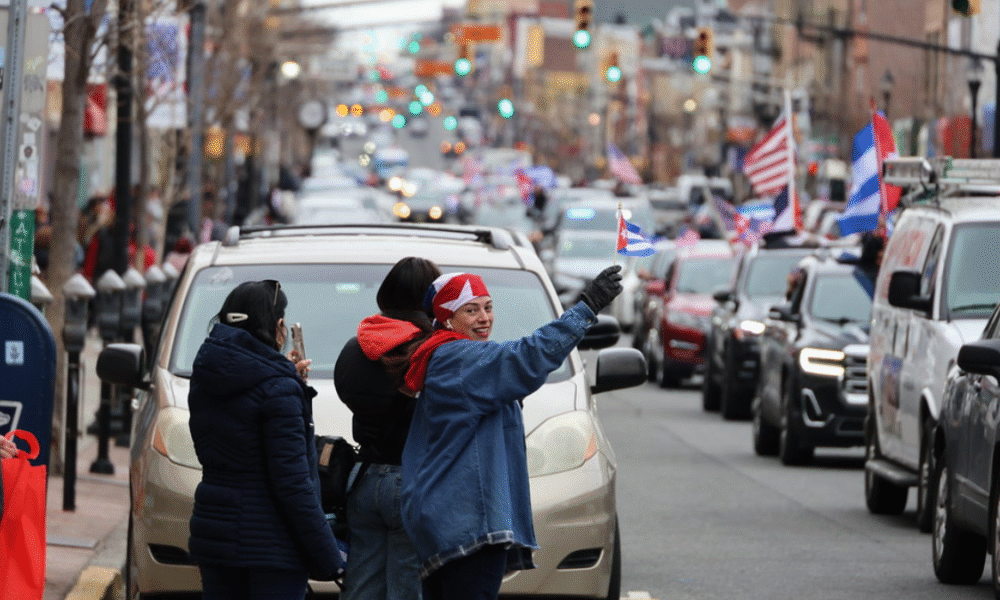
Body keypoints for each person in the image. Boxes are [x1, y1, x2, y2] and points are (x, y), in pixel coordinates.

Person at [400, 265, 623, 600]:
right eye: (470, 310)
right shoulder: (459, 357)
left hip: (451, 519)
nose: (484, 318)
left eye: (488, 307)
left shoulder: (448, 354)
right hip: (465, 523)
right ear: (446, 317)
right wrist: (586, 307)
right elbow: (528, 355)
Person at [187, 280, 344, 600]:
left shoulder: (208, 371)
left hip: (214, 533)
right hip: (271, 546)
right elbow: (292, 482)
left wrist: (289, 382)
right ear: (279, 326)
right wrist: (332, 559)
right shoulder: (278, 388)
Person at [334, 256, 442, 600]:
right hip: (413, 480)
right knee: (409, 587)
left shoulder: (355, 348)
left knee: (362, 585)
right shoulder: (432, 351)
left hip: (363, 479)